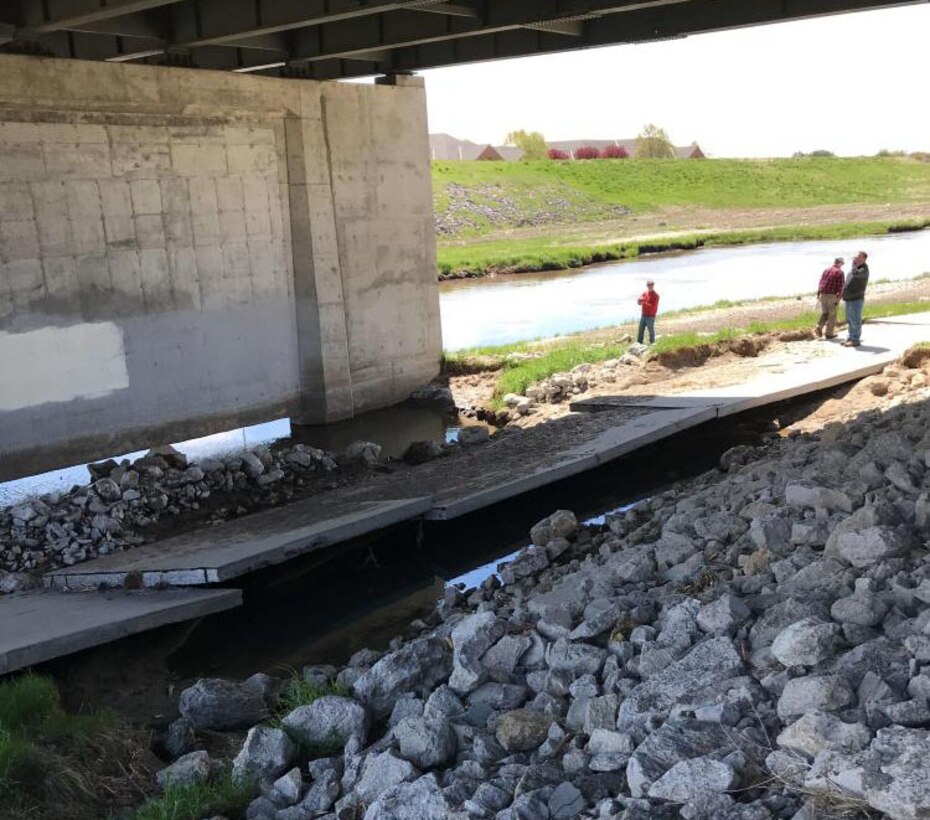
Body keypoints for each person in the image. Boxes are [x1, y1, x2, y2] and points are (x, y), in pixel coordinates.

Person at [842, 250, 870, 347]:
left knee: (855, 319)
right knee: (849, 319)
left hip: (856, 298)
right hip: (849, 298)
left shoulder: (864, 270)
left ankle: (855, 339)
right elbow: (848, 281)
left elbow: (856, 274)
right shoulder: (854, 269)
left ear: (864, 258)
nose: (855, 259)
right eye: (855, 257)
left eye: (858, 257)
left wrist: (853, 265)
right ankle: (850, 337)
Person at [815, 257, 845, 339]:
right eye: (842, 263)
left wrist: (818, 294)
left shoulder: (826, 270)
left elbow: (821, 282)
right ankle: (829, 334)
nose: (842, 265)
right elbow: (841, 287)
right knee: (832, 315)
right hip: (832, 295)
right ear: (840, 263)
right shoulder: (839, 272)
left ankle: (819, 327)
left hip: (823, 294)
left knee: (825, 313)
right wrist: (839, 298)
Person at [636, 279, 660, 344]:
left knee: (651, 330)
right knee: (640, 330)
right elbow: (639, 301)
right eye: (649, 285)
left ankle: (652, 343)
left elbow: (653, 306)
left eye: (651, 285)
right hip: (643, 315)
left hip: (650, 316)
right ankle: (639, 343)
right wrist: (639, 301)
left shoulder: (656, 296)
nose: (650, 286)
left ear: (653, 285)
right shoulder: (644, 293)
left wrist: (644, 303)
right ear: (647, 286)